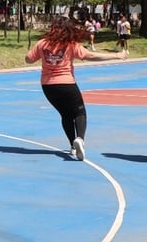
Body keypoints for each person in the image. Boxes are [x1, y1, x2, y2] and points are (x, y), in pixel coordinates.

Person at [25, 16, 126, 161]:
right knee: (80, 112)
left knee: (65, 115)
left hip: (48, 86)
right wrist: (117, 56)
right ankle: (80, 139)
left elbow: (28, 59)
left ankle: (73, 146)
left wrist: (39, 51)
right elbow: (90, 55)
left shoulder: (42, 43)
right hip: (67, 83)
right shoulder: (70, 44)